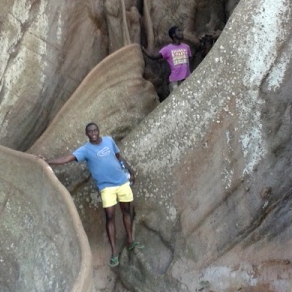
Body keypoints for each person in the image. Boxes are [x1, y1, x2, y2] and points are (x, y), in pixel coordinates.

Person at [41, 122, 143, 268]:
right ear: (87, 134)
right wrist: (47, 161)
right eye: (90, 131)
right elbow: (68, 158)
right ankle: (114, 251)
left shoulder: (109, 140)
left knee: (127, 211)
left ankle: (130, 241)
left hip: (122, 182)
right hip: (106, 188)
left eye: (95, 130)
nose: (93, 133)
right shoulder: (85, 150)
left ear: (98, 130)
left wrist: (130, 171)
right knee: (110, 217)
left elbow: (119, 157)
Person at [142, 26, 192, 93]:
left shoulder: (186, 47)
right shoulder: (167, 49)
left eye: (181, 31)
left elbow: (188, 61)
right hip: (175, 81)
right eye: (178, 31)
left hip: (187, 79)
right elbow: (154, 57)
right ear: (173, 35)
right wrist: (143, 50)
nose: (181, 33)